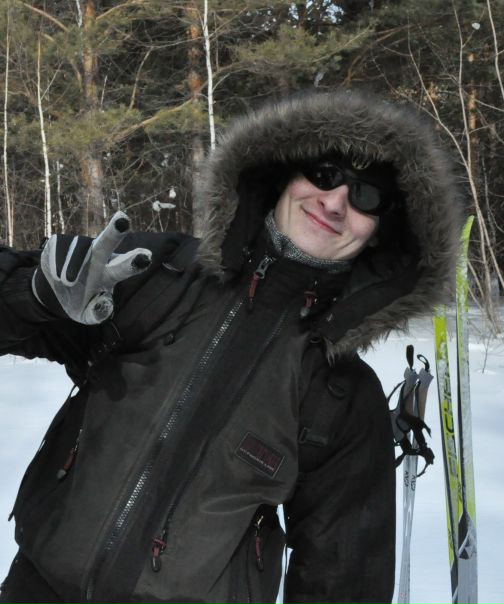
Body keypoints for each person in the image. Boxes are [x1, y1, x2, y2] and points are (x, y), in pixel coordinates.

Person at [0, 88, 461, 604]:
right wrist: (34, 295)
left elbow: (342, 583)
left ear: (379, 231)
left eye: (366, 196)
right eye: (325, 173)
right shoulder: (157, 273)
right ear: (285, 173)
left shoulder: (342, 395)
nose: (334, 203)